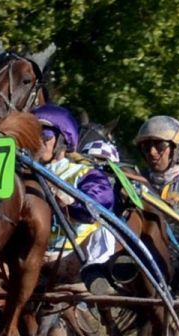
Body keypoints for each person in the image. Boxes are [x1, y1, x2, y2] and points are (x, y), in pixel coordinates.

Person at [33, 105, 117, 274]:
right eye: (33, 135)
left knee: (104, 232)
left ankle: (95, 280)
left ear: (62, 141)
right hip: (32, 254)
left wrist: (66, 199)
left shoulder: (85, 173)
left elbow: (98, 207)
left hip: (75, 253)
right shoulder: (23, 175)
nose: (38, 142)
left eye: (45, 135)